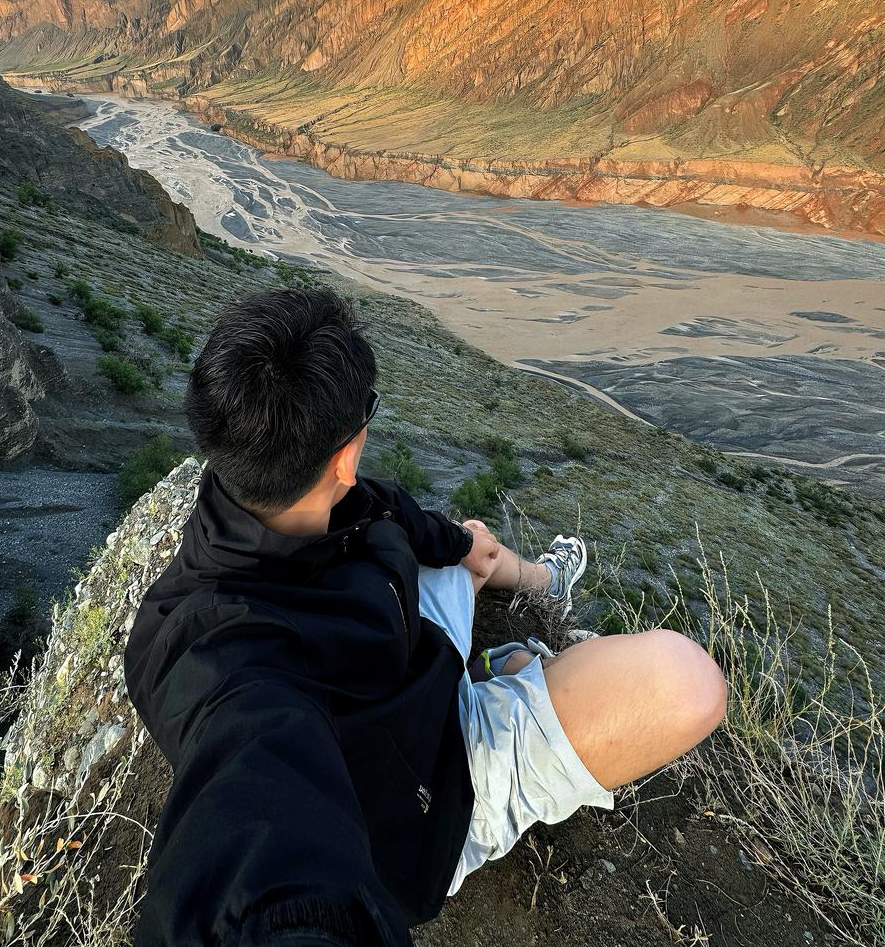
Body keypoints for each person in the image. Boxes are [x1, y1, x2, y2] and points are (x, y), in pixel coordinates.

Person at [125, 287, 727, 945]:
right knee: (688, 683)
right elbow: (257, 805)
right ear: (347, 452)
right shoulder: (228, 670)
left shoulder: (287, 503)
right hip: (437, 789)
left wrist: (464, 546)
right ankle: (518, 665)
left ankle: (541, 585)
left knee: (460, 542)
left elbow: (384, 511)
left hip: (414, 665)